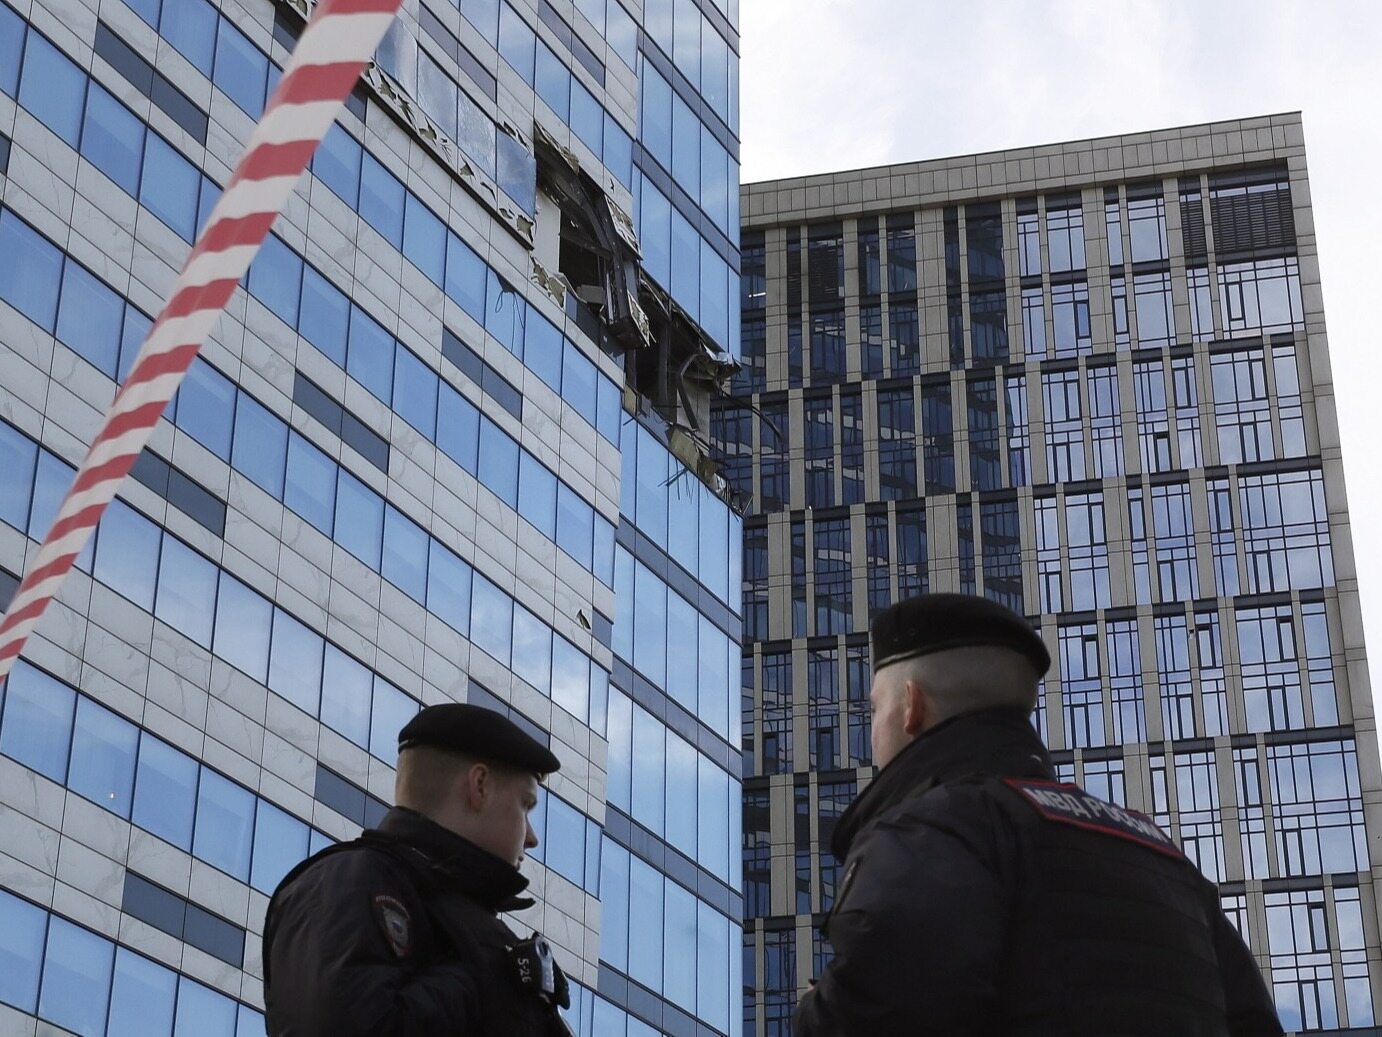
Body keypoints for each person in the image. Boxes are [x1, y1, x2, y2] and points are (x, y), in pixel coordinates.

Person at [793, 593, 1283, 1036]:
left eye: (874, 709)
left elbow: (883, 1012)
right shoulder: (1159, 853)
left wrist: (818, 1012)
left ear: (911, 706)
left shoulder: (931, 827)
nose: (872, 733)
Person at [262, 703, 573, 1036]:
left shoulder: (464, 923)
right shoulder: (345, 882)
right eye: (525, 805)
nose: (531, 837)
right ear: (479, 786)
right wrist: (490, 972)